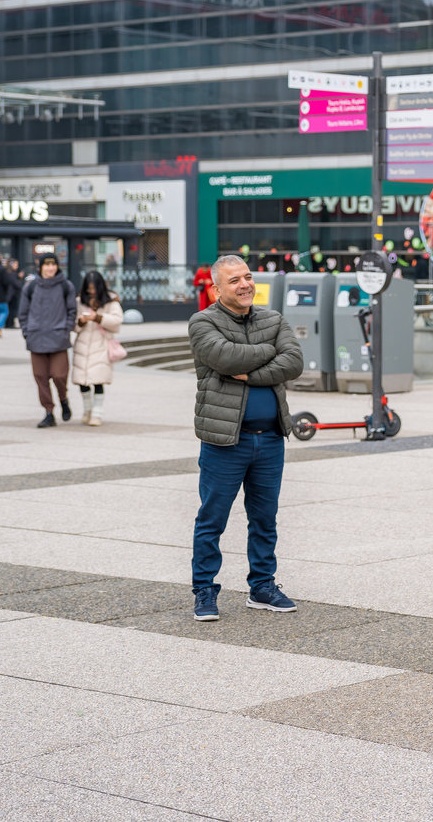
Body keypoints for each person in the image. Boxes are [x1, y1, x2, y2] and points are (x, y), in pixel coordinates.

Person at [188, 255, 304, 622]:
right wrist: (270, 352)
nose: (244, 285)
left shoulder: (273, 319)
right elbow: (225, 358)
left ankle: (262, 586)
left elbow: (294, 362)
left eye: (248, 277)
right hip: (225, 441)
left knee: (265, 519)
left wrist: (251, 373)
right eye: (234, 280)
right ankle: (204, 589)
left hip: (269, 439)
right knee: (212, 519)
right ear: (216, 289)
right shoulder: (203, 322)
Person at [18, 255, 76, 428]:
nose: (50, 268)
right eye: (47, 264)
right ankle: (49, 412)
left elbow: (72, 310)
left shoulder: (66, 286)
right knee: (41, 377)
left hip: (58, 338)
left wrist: (66, 329)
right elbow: (23, 313)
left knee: (59, 375)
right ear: (41, 266)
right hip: (36, 338)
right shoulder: (31, 287)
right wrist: (27, 332)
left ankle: (63, 399)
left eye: (53, 264)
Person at [70, 271, 124, 426]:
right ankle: (87, 410)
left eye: (94, 288)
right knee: (82, 381)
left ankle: (97, 413)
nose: (91, 291)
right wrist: (81, 321)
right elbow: (73, 324)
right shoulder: (80, 300)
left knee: (98, 381)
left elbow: (117, 320)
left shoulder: (111, 301)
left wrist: (97, 318)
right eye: (89, 288)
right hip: (82, 345)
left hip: (101, 344)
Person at [6, 258, 24, 328]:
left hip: (11, 295)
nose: (17, 266)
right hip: (12, 295)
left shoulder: (10, 273)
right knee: (12, 310)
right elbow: (16, 284)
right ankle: (10, 324)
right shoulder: (11, 273)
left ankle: (9, 323)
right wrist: (20, 280)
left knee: (11, 310)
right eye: (16, 264)